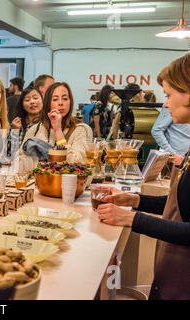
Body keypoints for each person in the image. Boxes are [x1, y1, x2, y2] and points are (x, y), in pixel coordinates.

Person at [96, 53, 190, 300]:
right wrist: (133, 199)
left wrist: (131, 219)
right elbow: (178, 204)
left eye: (169, 96)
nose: (166, 104)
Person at [19, 82, 93, 163]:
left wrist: (58, 131)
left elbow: (78, 161)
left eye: (65, 98)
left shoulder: (82, 129)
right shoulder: (36, 129)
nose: (61, 103)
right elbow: (19, 158)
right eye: (55, 99)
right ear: (48, 103)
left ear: (70, 101)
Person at [8, 86, 43, 155]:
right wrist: (15, 131)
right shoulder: (17, 123)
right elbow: (10, 153)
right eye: (27, 100)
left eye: (35, 98)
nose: (32, 102)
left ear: (42, 101)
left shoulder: (47, 123)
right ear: (22, 105)